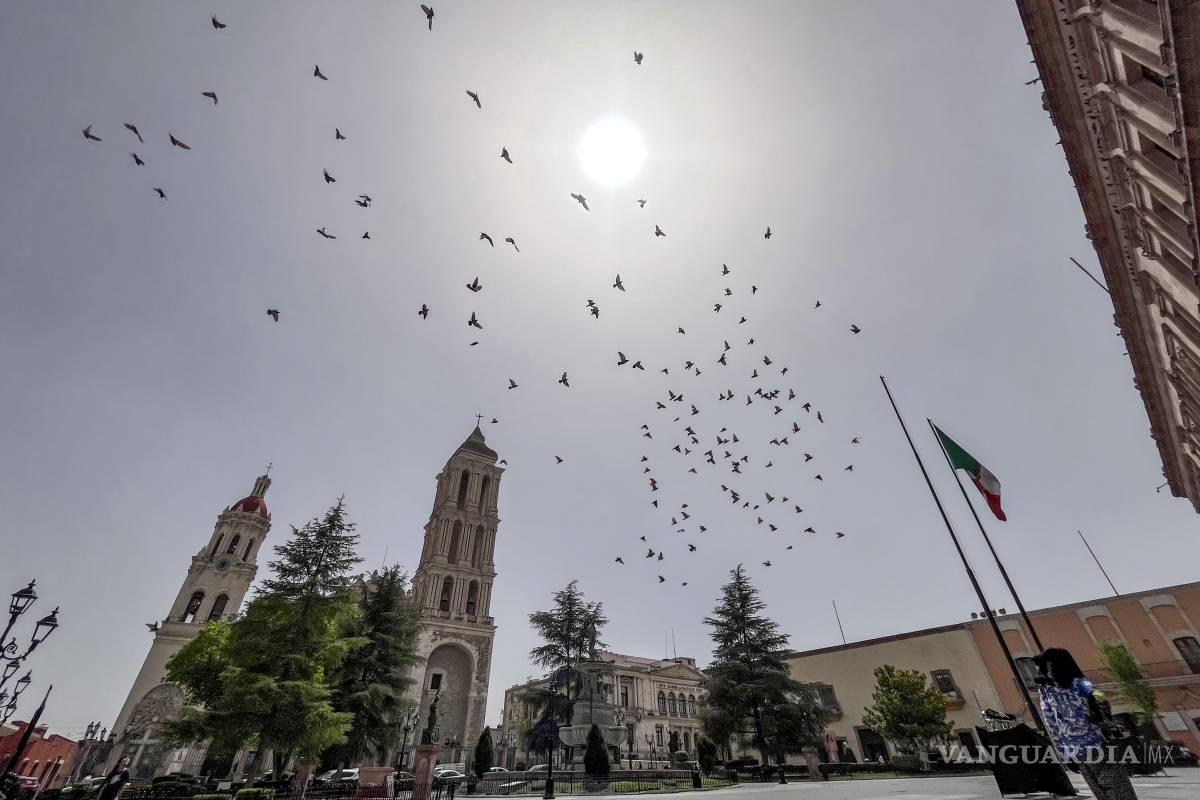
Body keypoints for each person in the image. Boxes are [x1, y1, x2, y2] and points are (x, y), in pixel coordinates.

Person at [1035, 648, 1138, 800]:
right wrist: (1109, 726)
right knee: (1120, 791)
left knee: (1101, 793)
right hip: (1098, 744)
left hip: (1076, 751)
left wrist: (1064, 755)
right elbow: (1101, 699)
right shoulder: (1081, 683)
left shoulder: (1047, 692)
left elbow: (1052, 725)